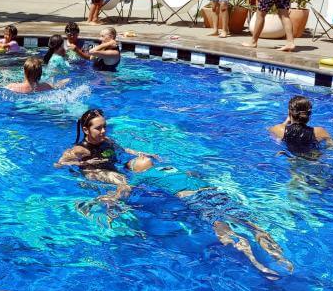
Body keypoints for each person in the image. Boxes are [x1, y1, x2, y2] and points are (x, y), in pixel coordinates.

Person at [58, 109, 293, 279]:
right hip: (94, 173)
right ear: (86, 129)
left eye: (105, 126)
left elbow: (123, 150)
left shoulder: (110, 141)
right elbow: (58, 166)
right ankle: (259, 261)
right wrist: (89, 163)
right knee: (122, 183)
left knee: (244, 224)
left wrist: (143, 153)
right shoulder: (78, 149)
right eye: (99, 127)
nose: (104, 130)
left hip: (191, 191)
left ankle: (277, 257)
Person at [269, 95, 333, 154]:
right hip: (313, 160)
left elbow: (271, 131)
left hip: (292, 160)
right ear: (309, 115)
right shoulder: (319, 132)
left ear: (289, 113)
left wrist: (287, 121)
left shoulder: (279, 129)